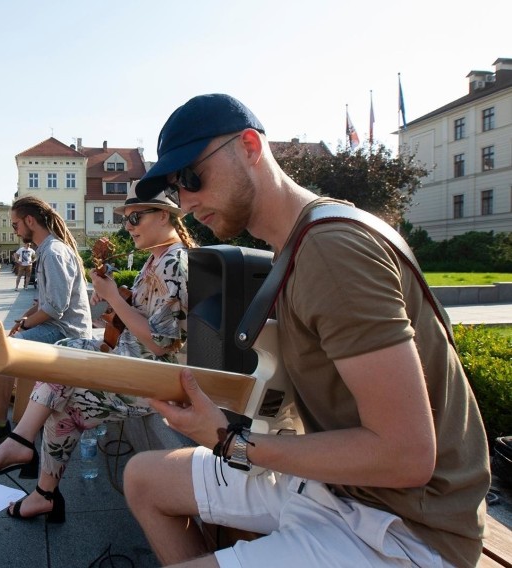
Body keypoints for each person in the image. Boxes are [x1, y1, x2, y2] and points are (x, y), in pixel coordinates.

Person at [122, 94, 490, 567]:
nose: (187, 204)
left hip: (407, 527)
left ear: (251, 147)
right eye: (176, 189)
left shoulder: (331, 251)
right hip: (345, 490)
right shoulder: (300, 242)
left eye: (192, 177)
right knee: (144, 479)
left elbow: (407, 454)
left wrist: (232, 442)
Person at [0, 184, 196, 523]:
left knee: (66, 396)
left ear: (164, 215)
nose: (128, 226)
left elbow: (161, 343)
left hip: (153, 378)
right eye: (126, 220)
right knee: (62, 359)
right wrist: (116, 295)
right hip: (128, 359)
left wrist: (113, 297)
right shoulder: (156, 259)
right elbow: (142, 313)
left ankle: (28, 459)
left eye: (135, 217)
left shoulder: (174, 263)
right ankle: (34, 470)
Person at [0, 196, 92, 449]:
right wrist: (24, 318)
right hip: (58, 326)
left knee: (2, 350)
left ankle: (0, 422)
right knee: (6, 340)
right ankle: (9, 417)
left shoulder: (53, 252)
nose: (14, 231)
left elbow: (56, 308)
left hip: (68, 333)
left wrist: (25, 327)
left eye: (15, 225)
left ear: (29, 221)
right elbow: (45, 301)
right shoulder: (46, 249)